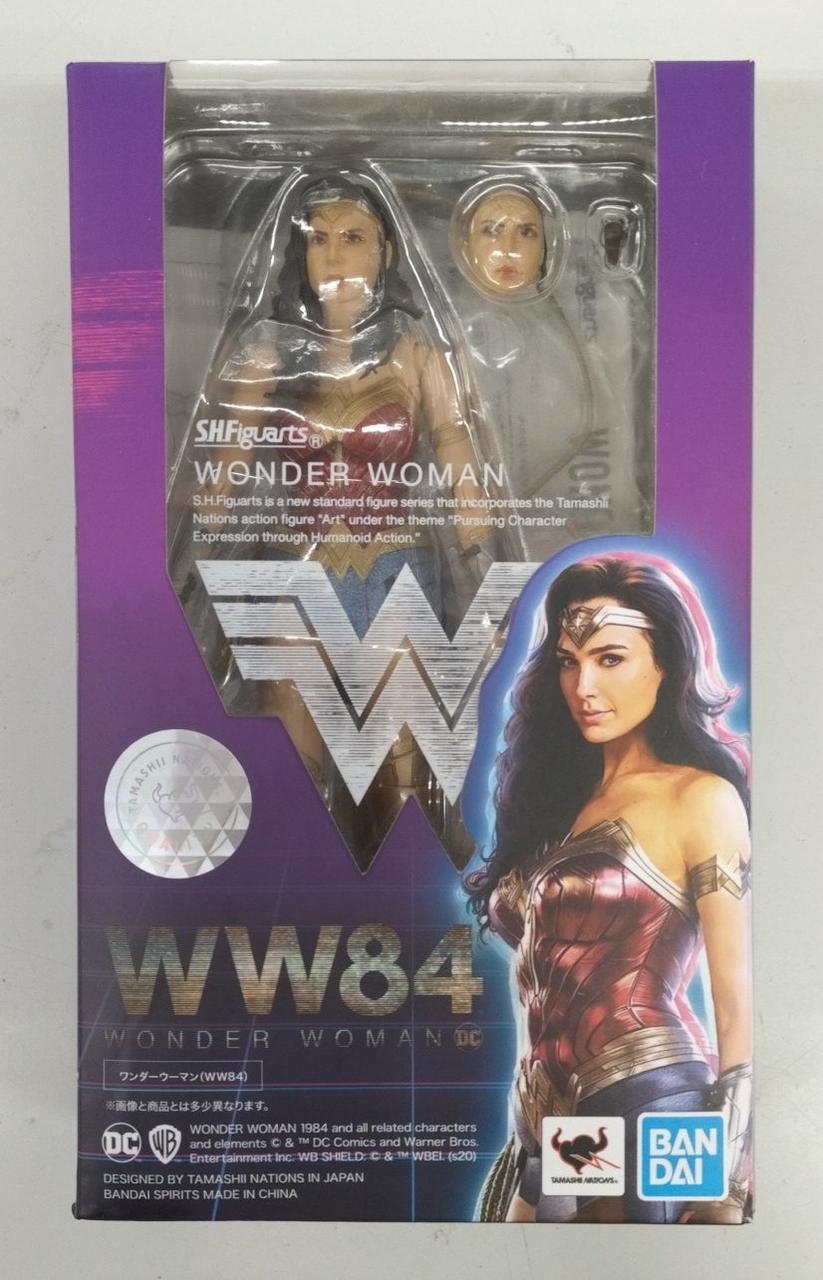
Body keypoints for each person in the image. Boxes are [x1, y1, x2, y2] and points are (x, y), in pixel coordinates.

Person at [191, 174, 502, 864]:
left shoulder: (416, 355)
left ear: (384, 252)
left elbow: (457, 451)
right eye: (317, 239)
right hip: (295, 569)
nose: (332, 254)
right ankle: (293, 878)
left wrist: (481, 557)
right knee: (290, 740)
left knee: (404, 749)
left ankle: (416, 880)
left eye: (352, 237)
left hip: (394, 567)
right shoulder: (270, 355)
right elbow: (227, 459)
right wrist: (198, 546)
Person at [467, 554, 752, 1223]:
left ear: (667, 663)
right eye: (568, 662)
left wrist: (732, 1172)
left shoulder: (700, 797)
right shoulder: (556, 802)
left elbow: (735, 991)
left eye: (610, 658)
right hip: (544, 1121)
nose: (583, 686)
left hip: (647, 1098)